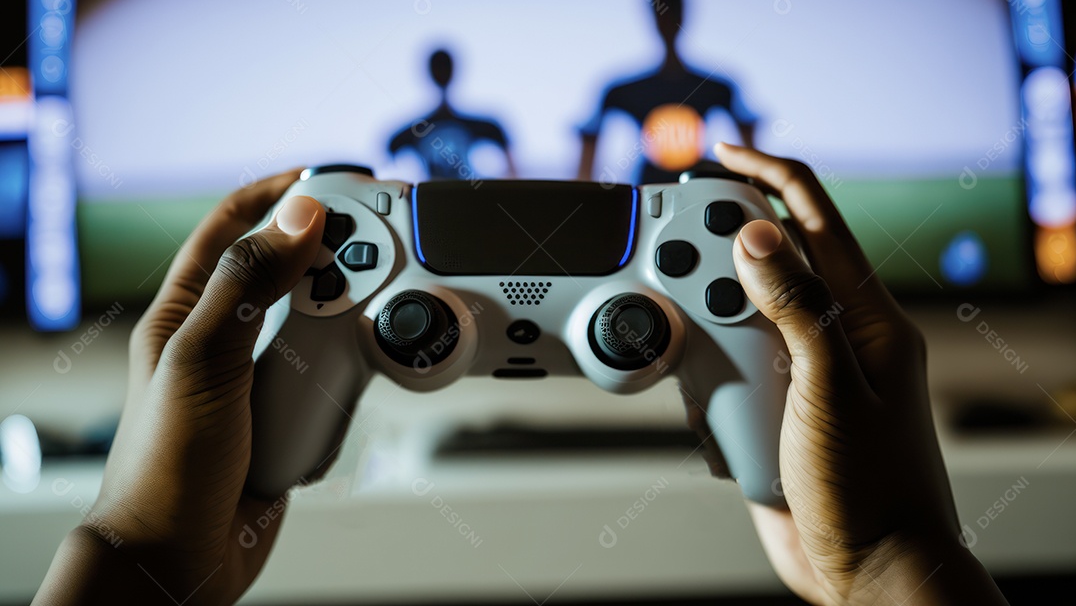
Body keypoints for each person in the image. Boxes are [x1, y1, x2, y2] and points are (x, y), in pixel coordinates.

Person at [32, 146, 1008, 605]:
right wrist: (888, 558)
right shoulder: (709, 228)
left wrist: (142, 554)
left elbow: (243, 479)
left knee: (282, 429)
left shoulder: (344, 238)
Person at [576, 0, 760, 184]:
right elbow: (589, 140)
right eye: (662, 12)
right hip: (649, 188)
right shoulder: (622, 91)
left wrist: (758, 188)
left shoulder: (716, 88)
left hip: (698, 186)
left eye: (672, 11)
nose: (667, 19)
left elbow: (749, 141)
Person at [387, 48, 517, 180]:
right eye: (439, 67)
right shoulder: (411, 132)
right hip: (431, 198)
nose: (442, 72)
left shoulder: (486, 127)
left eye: (444, 67)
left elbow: (513, 172)